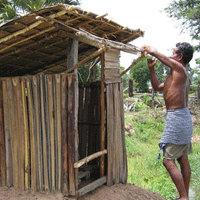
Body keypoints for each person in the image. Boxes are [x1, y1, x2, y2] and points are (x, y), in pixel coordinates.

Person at [143, 42, 194, 200]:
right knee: (182, 158)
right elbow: (158, 86)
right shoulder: (176, 75)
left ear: (179, 57)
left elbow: (161, 57)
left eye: (173, 53)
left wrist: (151, 50)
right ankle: (185, 195)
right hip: (182, 118)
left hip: (177, 118)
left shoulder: (180, 69)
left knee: (167, 161)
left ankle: (183, 197)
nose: (171, 56)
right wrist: (152, 69)